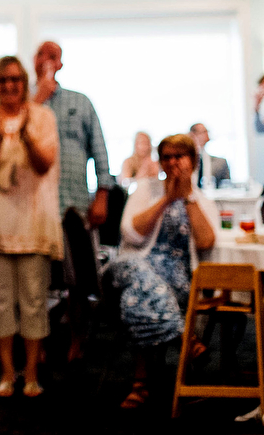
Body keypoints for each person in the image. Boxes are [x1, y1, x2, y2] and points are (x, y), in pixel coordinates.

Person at [0, 55, 61, 397]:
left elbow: (44, 165)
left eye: (15, 80)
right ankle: (7, 372)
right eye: (1, 80)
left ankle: (32, 372)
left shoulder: (43, 117)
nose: (9, 86)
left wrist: (24, 134)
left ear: (24, 83)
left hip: (33, 223)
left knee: (35, 300)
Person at [104, 134, 217, 410]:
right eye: (166, 156)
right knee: (139, 272)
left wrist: (186, 197)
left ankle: (141, 384)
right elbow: (131, 234)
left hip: (174, 278)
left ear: (193, 161)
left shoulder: (202, 199)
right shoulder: (145, 189)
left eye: (180, 156)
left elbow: (205, 242)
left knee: (137, 297)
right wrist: (167, 199)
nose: (172, 162)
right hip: (131, 266)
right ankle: (186, 338)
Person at [31, 40, 111, 363]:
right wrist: (38, 98)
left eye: (54, 56)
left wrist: (102, 194)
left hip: (75, 205)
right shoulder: (24, 104)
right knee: (38, 281)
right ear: (34, 62)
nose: (48, 60)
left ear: (61, 64)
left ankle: (77, 339)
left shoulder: (81, 102)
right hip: (36, 207)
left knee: (78, 281)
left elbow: (100, 150)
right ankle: (40, 344)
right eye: (42, 54)